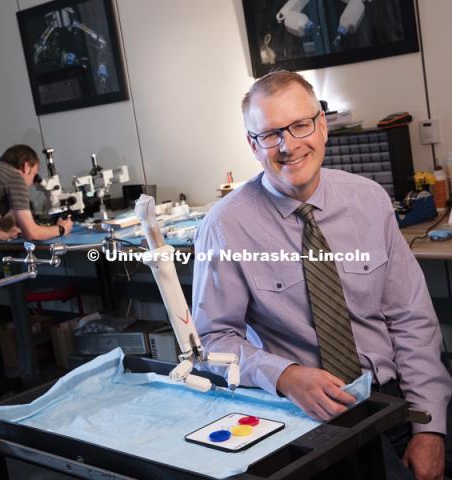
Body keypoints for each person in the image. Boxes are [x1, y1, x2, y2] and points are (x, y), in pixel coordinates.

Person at [193, 71, 452, 480]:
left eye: (300, 125)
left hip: (392, 403)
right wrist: (285, 376)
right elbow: (211, 343)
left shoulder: (369, 200)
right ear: (252, 145)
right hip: (301, 418)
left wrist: (430, 427)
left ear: (323, 125)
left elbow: (412, 320)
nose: (289, 145)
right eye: (270, 133)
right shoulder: (224, 226)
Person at [0, 144, 73, 395]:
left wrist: (4, 233)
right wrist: (62, 229)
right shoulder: (13, 176)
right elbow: (32, 232)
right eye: (32, 176)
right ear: (26, 166)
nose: (29, 184)